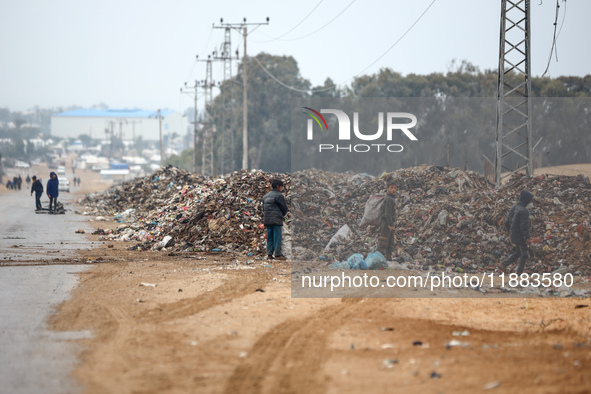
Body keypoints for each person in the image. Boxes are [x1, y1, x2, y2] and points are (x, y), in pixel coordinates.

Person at [502, 190, 534, 275]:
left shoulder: (513, 207)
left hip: (513, 234)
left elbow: (506, 222)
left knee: (519, 252)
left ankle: (504, 264)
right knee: (524, 254)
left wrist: (510, 231)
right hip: (520, 235)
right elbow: (524, 226)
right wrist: (527, 236)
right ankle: (519, 272)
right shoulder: (524, 211)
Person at [262, 179, 289, 260]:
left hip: (267, 219)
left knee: (270, 237)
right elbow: (284, 208)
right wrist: (281, 215)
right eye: (281, 187)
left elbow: (264, 208)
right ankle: (277, 255)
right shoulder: (279, 195)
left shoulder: (266, 196)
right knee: (277, 237)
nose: (281, 188)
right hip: (276, 219)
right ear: (278, 186)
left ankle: (269, 255)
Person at [377, 179, 397, 260]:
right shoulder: (389, 199)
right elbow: (387, 214)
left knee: (390, 242)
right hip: (386, 224)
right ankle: (378, 259)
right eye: (391, 187)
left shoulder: (392, 198)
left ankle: (388, 259)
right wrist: (391, 225)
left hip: (389, 223)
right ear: (387, 188)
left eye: (395, 188)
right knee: (384, 242)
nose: (393, 189)